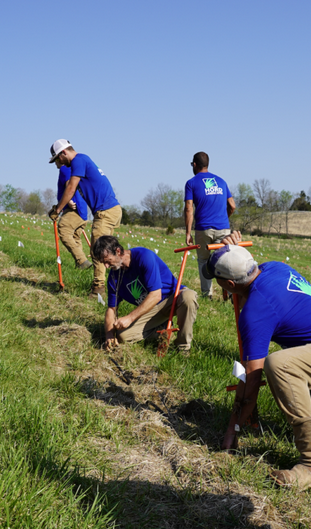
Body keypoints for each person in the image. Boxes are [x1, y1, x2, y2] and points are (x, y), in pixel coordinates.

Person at [206, 231, 311, 490]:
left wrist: (234, 428)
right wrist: (233, 252)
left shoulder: (255, 313)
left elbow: (251, 378)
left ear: (229, 286)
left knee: (281, 365)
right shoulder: (274, 267)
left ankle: (310, 463)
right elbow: (248, 280)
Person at [93, 235, 198, 353]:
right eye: (103, 263)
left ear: (118, 251)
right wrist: (109, 334)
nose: (106, 266)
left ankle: (182, 348)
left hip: (172, 298)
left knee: (189, 297)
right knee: (123, 336)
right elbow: (111, 309)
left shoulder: (143, 257)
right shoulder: (113, 278)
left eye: (108, 261)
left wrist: (129, 318)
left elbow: (156, 295)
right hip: (152, 308)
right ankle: (159, 330)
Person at [48, 139, 122, 298]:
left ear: (63, 153)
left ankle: (98, 290)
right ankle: (118, 282)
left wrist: (58, 210)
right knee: (106, 250)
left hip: (106, 211)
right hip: (111, 210)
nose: (59, 163)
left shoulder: (78, 161)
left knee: (98, 250)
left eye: (57, 159)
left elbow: (71, 187)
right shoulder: (83, 159)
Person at [183, 152, 236, 299]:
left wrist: (188, 233)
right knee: (225, 261)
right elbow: (232, 205)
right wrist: (224, 218)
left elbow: (189, 208)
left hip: (203, 229)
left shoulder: (191, 183)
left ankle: (208, 295)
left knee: (203, 261)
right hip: (223, 229)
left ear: (194, 164)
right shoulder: (221, 181)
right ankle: (231, 294)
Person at [54, 160, 91, 269]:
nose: (55, 163)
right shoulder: (74, 169)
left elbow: (69, 185)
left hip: (74, 209)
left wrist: (68, 200)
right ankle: (81, 266)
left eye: (55, 160)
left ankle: (82, 261)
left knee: (64, 230)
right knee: (75, 237)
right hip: (83, 211)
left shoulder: (65, 168)